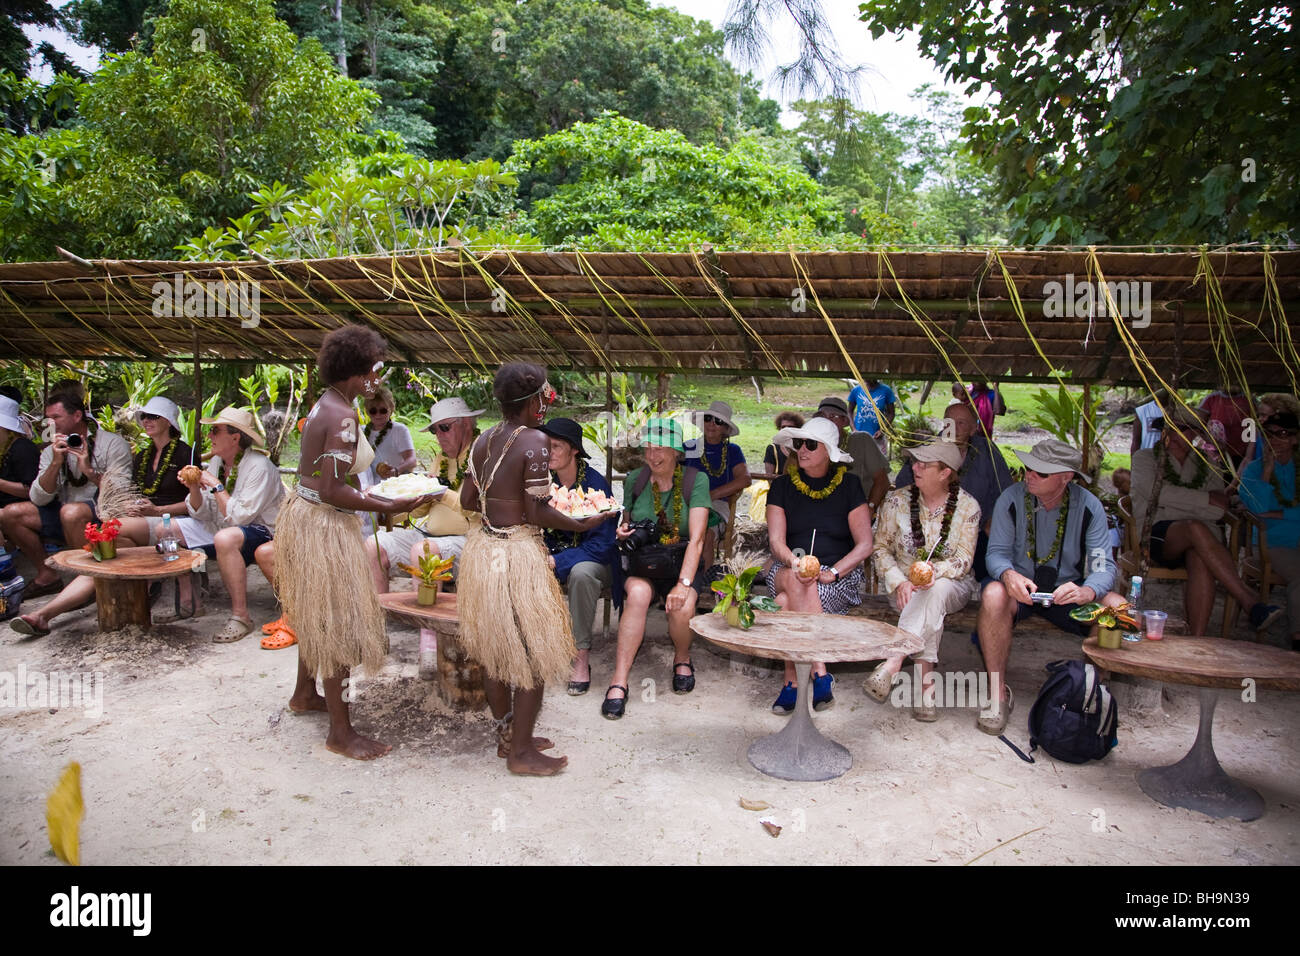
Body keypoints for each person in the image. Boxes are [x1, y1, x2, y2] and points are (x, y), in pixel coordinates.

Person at [274, 326, 435, 760]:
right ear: (356, 372)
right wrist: (384, 501)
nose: (377, 378)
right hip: (323, 521)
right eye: (374, 368)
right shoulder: (342, 415)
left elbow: (329, 483)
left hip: (311, 516)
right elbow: (331, 488)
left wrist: (377, 499)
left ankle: (304, 694)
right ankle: (340, 733)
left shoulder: (330, 403)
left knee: (316, 612)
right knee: (337, 622)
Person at [458, 363, 616, 774]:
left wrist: (501, 513)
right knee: (532, 651)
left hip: (484, 552)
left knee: (497, 648)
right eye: (544, 398)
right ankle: (522, 754)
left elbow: (467, 501)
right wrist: (582, 523)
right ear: (532, 402)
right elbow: (537, 510)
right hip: (517, 554)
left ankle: (511, 733)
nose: (545, 406)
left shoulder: (484, 439)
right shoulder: (534, 441)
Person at [10, 396, 194, 637]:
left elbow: (197, 506)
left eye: (154, 417)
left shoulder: (185, 455)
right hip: (136, 521)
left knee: (106, 537)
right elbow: (126, 492)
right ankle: (42, 616)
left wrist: (157, 511)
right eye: (145, 417)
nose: (147, 421)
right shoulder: (143, 457)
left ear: (169, 422)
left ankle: (50, 609)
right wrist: (58, 462)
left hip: (166, 522)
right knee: (104, 559)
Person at [976, 439, 1125, 735]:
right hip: (1021, 589)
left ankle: (1090, 693)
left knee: (1116, 607)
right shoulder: (1011, 498)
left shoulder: (1089, 506)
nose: (1029, 475)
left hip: (1068, 592)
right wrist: (1008, 575)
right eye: (1028, 468)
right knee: (993, 594)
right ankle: (998, 695)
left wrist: (1088, 591)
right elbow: (996, 553)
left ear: (1066, 478)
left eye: (1040, 473)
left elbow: (1104, 566)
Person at [1132, 408, 1282, 636]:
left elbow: (1219, 510)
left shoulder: (1206, 463)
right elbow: (1157, 495)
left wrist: (1183, 502)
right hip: (1157, 535)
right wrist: (1204, 501)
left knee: (1199, 555)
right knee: (1194, 526)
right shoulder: (1144, 459)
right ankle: (1249, 600)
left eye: (1186, 430)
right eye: (1168, 429)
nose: (1171, 434)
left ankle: (1197, 639)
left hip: (1201, 540)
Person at [601, 417, 711, 721]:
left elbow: (698, 538)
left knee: (682, 605)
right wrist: (623, 531)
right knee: (636, 593)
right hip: (646, 561)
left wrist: (684, 582)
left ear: (676, 453)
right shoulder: (635, 479)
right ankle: (619, 679)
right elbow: (625, 522)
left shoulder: (695, 481)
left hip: (681, 561)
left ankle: (682, 657)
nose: (654, 455)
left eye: (662, 448)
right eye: (649, 447)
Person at [765, 416, 873, 714]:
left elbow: (865, 545)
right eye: (798, 443)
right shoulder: (782, 487)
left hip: (838, 577)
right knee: (798, 581)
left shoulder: (849, 486)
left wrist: (834, 571)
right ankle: (820, 669)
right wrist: (796, 563)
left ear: (829, 451)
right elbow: (776, 542)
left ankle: (791, 682)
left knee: (784, 602)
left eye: (811, 444)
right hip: (787, 568)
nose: (802, 450)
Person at [867, 439, 980, 720]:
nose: (914, 467)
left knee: (936, 588)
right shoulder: (896, 501)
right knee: (927, 598)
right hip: (903, 588)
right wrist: (900, 581)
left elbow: (963, 560)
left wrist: (931, 573)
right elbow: (880, 548)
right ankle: (925, 691)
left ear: (945, 472)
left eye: (923, 464)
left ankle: (893, 662)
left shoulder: (967, 507)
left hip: (954, 584)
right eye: (914, 462)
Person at [1, 386, 132, 599]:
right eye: (47, 418)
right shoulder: (52, 449)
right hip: (63, 511)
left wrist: (89, 471)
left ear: (77, 415)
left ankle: (87, 581)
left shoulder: (111, 444)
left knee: (71, 512)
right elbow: (37, 498)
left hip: (102, 513)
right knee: (10, 513)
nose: (49, 423)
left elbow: (122, 491)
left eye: (55, 417)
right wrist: (55, 463)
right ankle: (47, 576)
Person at [184, 406, 286, 643]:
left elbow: (241, 517)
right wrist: (194, 487)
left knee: (225, 538)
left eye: (215, 431)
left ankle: (240, 617)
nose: (209, 436)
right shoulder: (218, 462)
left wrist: (216, 486)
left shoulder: (259, 466)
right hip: (226, 527)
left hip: (266, 531)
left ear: (235, 437)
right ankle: (191, 602)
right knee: (166, 531)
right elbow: (203, 514)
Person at [539, 417, 621, 695]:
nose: (548, 452)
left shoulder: (596, 486)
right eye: (545, 446)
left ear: (574, 450)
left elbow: (602, 546)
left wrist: (555, 561)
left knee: (582, 573)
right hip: (552, 554)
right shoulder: (540, 482)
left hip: (596, 563)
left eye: (556, 446)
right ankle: (530, 648)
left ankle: (580, 658)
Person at [365, 396, 481, 593]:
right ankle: (380, 616)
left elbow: (476, 509)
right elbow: (419, 514)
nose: (439, 436)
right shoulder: (442, 458)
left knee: (423, 551)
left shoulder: (481, 454)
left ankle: (426, 623)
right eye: (435, 430)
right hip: (430, 535)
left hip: (469, 541)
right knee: (374, 545)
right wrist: (421, 494)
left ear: (467, 424)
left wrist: (441, 494)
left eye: (444, 428)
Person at [895, 402, 1013, 579]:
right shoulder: (928, 448)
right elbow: (903, 484)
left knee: (987, 568)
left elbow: (1004, 489)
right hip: (929, 530)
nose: (954, 428)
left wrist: (993, 520)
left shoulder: (986, 450)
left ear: (974, 429)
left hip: (976, 530)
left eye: (961, 423)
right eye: (949, 421)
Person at [1238, 411, 1300, 650]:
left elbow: (1270, 511)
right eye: (1270, 434)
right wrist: (1267, 471)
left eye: (1283, 434)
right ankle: (1297, 638)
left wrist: (1281, 514)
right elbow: (1258, 509)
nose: (1275, 439)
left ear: (1295, 439)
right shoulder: (1253, 471)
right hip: (1272, 542)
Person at [683, 401, 749, 558]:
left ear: (725, 428)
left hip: (717, 504)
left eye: (718, 421)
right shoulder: (689, 447)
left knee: (705, 532)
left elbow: (745, 479)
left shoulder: (733, 451)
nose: (711, 424)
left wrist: (712, 495)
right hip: (687, 503)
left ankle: (704, 578)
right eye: (708, 419)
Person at [815, 397, 889, 514]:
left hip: (857, 510)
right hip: (821, 510)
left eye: (833, 417)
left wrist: (870, 507)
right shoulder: (811, 444)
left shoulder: (861, 440)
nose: (826, 421)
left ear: (845, 421)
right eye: (822, 416)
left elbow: (882, 480)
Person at [0, 395, 39, 610]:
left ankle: (6, 579)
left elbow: (29, 490)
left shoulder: (22, 448)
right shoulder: (4, 448)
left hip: (22, 507)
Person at [1198, 385, 1252, 468]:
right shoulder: (1212, 398)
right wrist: (1212, 444)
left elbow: (1252, 429)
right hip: (1217, 452)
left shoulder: (1247, 400)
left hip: (1242, 453)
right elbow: (1198, 425)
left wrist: (1249, 454)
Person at [848, 378, 897, 455]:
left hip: (877, 437)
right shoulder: (856, 390)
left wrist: (882, 430)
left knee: (878, 464)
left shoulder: (886, 390)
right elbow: (849, 411)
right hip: (858, 436)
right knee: (857, 462)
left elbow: (891, 413)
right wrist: (854, 429)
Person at [757, 411, 805, 480]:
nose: (786, 430)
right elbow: (769, 477)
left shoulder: (804, 448)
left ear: (797, 429)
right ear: (779, 429)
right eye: (783, 427)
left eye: (790, 427)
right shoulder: (772, 449)